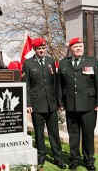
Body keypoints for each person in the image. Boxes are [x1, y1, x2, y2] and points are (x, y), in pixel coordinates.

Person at [57, 37, 98, 171]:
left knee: (88, 134)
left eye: (80, 46)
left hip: (89, 105)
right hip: (70, 105)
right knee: (73, 134)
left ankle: (89, 160)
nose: (78, 48)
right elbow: (60, 85)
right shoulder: (63, 64)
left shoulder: (92, 62)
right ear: (70, 49)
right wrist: (60, 102)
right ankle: (74, 159)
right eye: (75, 47)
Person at [22, 38, 66, 169]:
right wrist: (28, 104)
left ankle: (58, 159)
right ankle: (40, 158)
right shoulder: (28, 63)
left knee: (54, 133)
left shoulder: (51, 62)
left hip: (51, 104)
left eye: (43, 48)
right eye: (39, 49)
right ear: (35, 49)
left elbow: (55, 83)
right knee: (39, 134)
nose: (41, 51)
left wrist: (59, 102)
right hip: (36, 104)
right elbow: (26, 85)